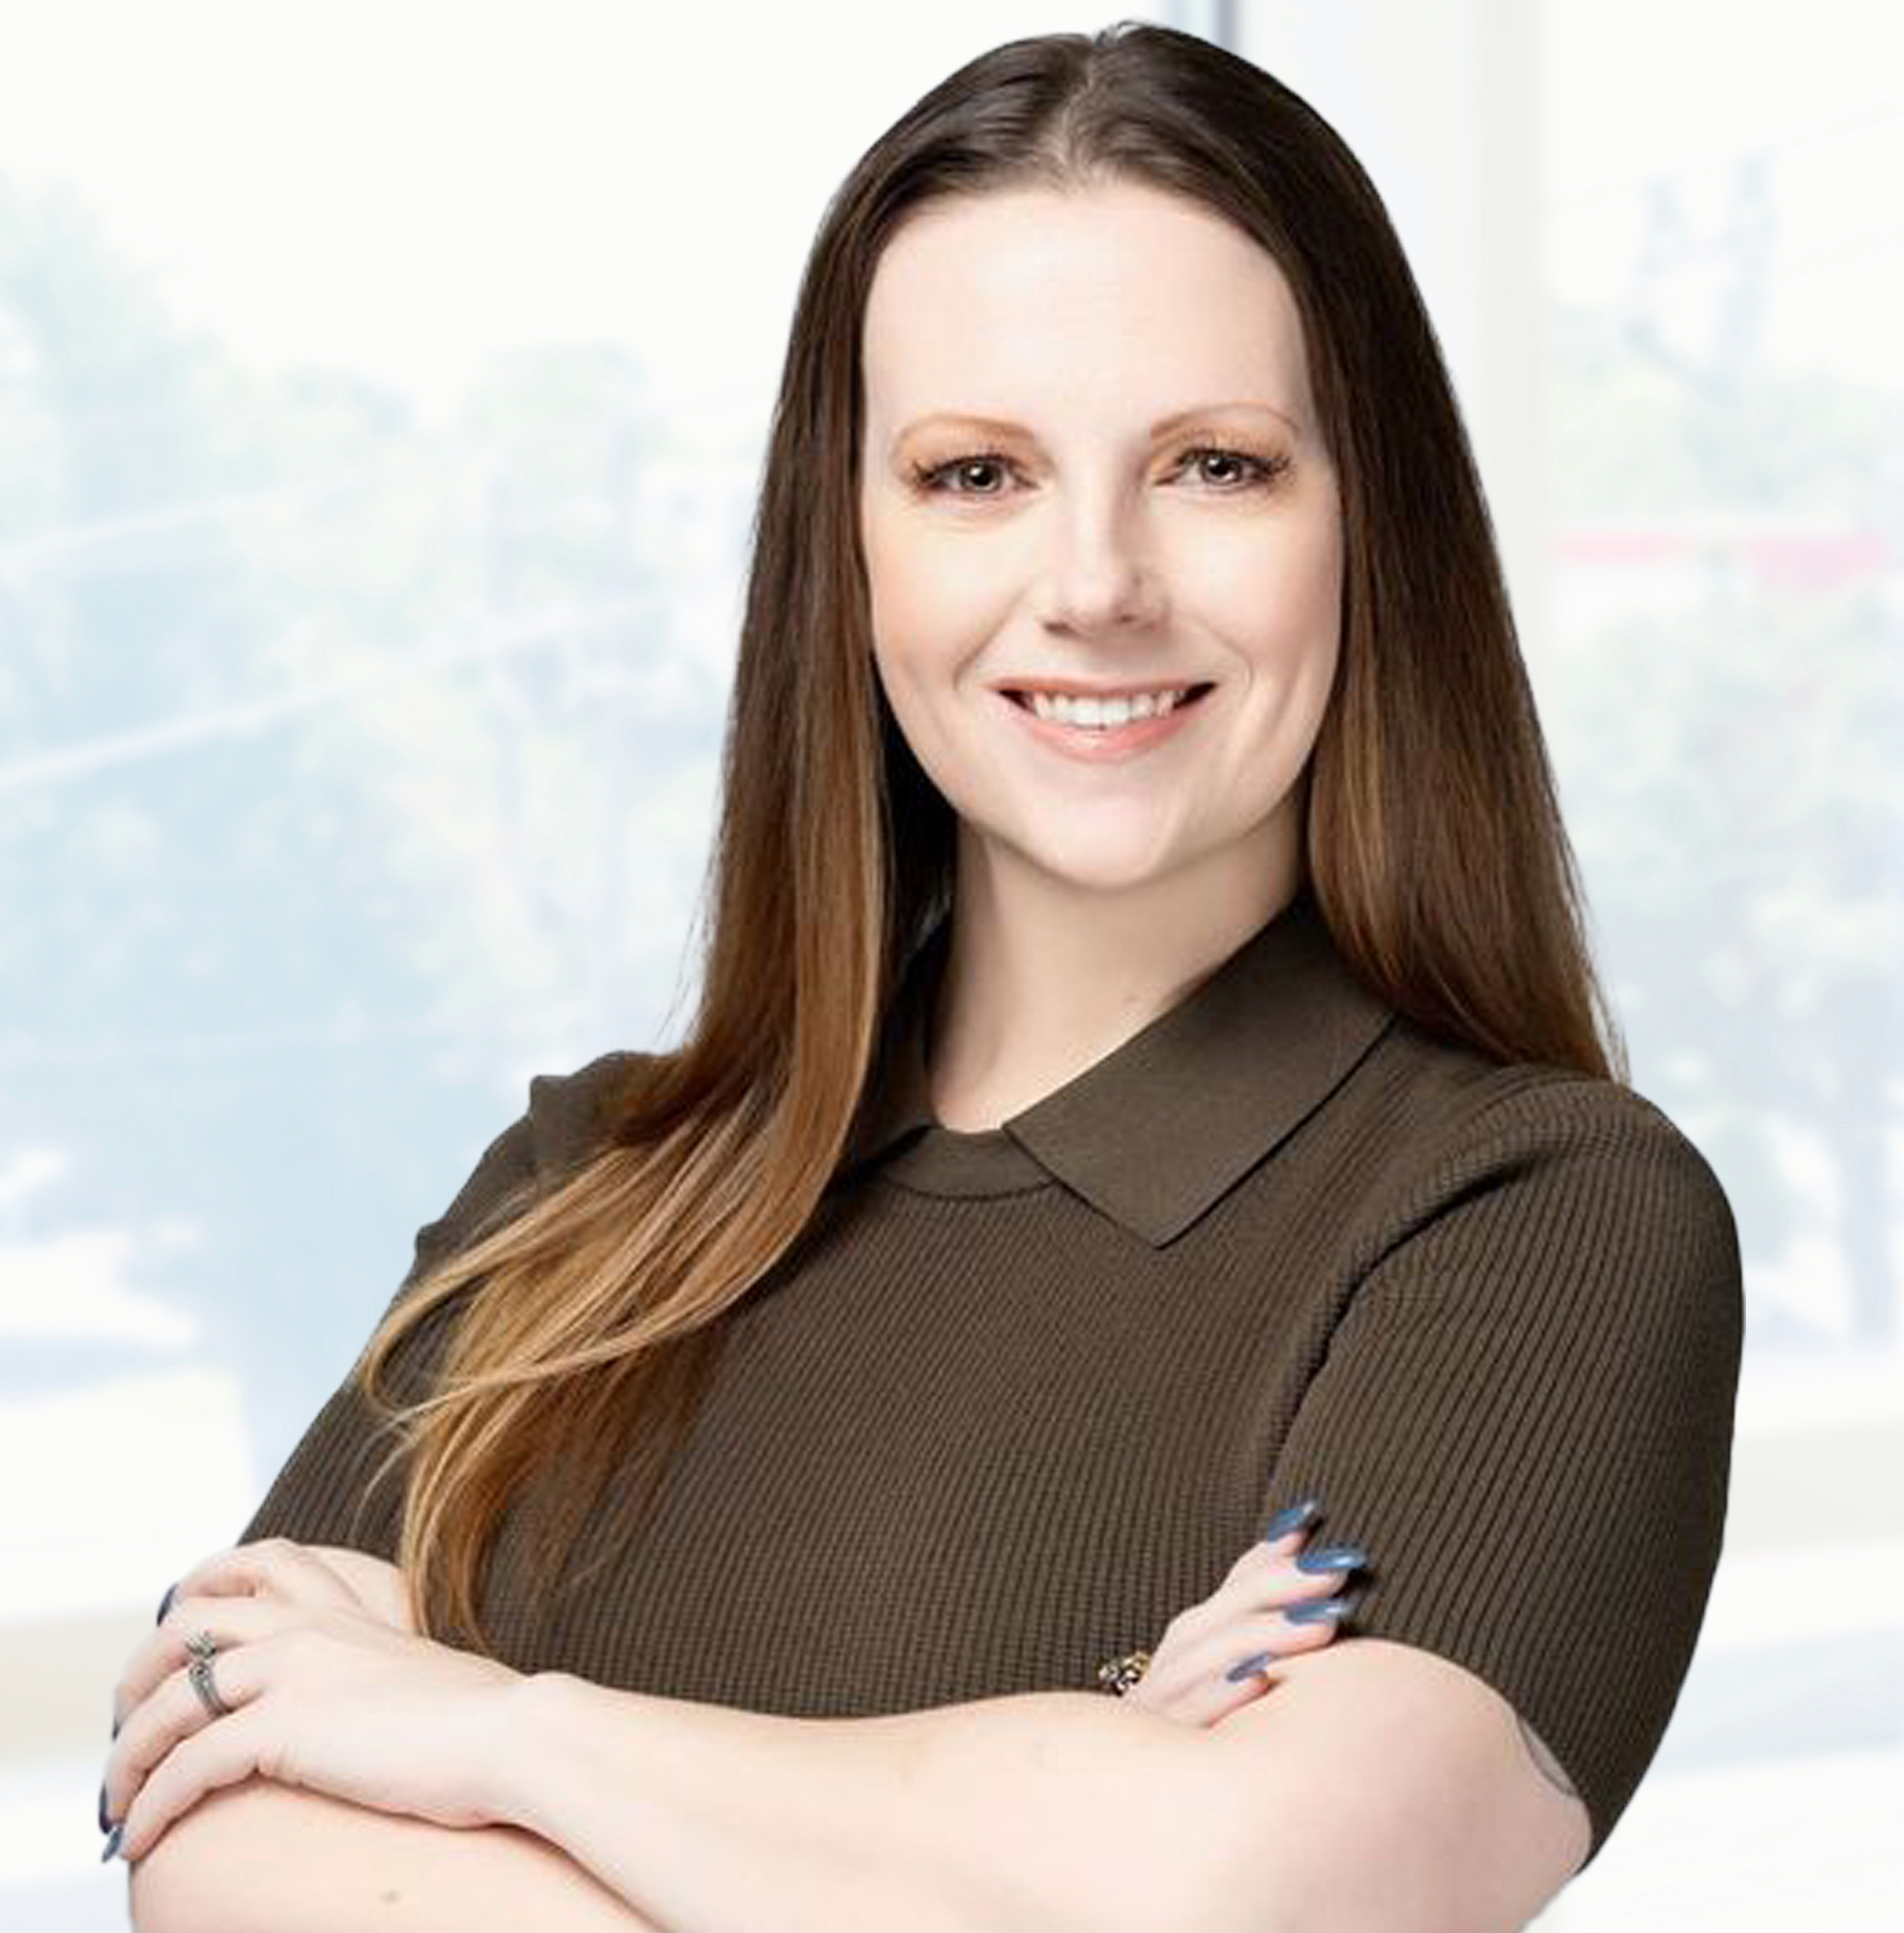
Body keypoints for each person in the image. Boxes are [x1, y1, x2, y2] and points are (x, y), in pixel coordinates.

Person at [101, 20, 1742, 1931]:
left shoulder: (1534, 1219)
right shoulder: (585, 1184)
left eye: (1215, 464)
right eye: (976, 474)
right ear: (851, 542)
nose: (1096, 580)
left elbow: (1243, 1897)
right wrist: (1059, 1782)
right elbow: (209, 1817)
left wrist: (491, 1732)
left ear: (1366, 522)